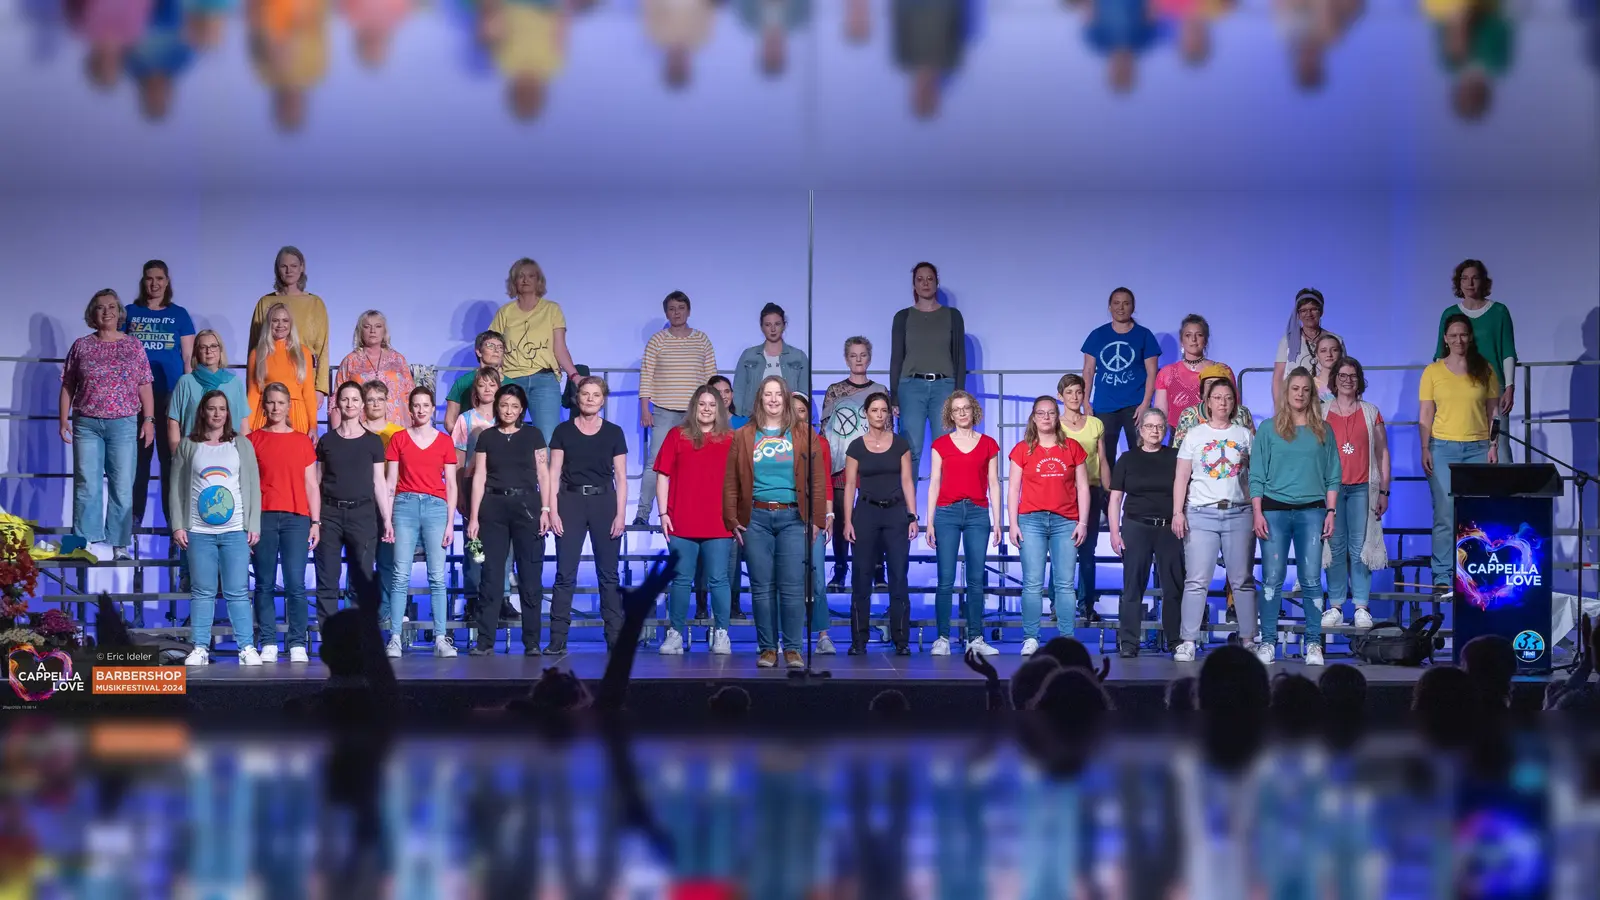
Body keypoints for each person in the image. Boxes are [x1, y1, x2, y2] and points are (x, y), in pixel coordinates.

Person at [723, 375, 829, 669]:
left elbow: (817, 481)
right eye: (767, 394)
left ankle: (793, 649)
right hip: (755, 518)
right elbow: (731, 481)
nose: (772, 400)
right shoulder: (744, 434)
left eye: (778, 394)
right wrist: (732, 519)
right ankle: (768, 648)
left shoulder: (804, 433)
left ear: (785, 399)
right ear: (760, 399)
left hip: (794, 517)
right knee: (762, 587)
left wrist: (818, 519)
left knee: (793, 587)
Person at [1249, 368, 1340, 667]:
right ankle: (1268, 642)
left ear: (1312, 395)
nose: (1300, 394)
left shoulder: (1324, 430)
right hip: (1273, 513)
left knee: (1312, 579)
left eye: (1305, 389)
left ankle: (1314, 643)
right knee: (1273, 579)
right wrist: (1257, 513)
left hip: (1312, 512)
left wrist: (1330, 512)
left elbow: (1332, 476)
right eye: (1295, 389)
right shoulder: (1268, 429)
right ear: (1286, 393)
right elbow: (1257, 476)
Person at [60, 289, 155, 561]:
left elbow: (145, 384)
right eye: (100, 307)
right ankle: (84, 542)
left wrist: (148, 420)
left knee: (123, 485)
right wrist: (62, 419)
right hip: (87, 423)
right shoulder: (81, 345)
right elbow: (68, 384)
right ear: (92, 313)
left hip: (124, 423)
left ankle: (119, 543)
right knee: (87, 484)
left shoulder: (133, 346)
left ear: (120, 312)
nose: (107, 312)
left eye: (112, 307)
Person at [172, 390, 262, 666]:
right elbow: (175, 488)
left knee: (237, 591)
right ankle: (199, 647)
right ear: (203, 411)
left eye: (222, 408)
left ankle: (246, 647)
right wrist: (178, 525)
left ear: (228, 413)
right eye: (212, 408)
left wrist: (253, 524)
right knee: (202, 592)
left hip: (235, 531)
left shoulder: (241, 445)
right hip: (199, 532)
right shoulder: (188, 445)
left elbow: (253, 486)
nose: (217, 413)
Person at [1171, 378, 1257, 664]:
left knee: (1242, 580)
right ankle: (1188, 641)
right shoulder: (1194, 435)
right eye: (1217, 397)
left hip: (1239, 512)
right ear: (1207, 402)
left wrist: (1258, 511)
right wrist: (1178, 511)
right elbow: (1182, 476)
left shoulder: (1245, 434)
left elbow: (1254, 476)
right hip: (1200, 513)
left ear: (1235, 402)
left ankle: (1248, 639)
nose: (1223, 403)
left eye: (1228, 398)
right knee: (1196, 580)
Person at [466, 383, 550, 657]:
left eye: (515, 406)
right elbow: (479, 477)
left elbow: (543, 475)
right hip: (494, 507)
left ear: (522, 408)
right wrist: (474, 515)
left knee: (529, 576)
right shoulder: (487, 437)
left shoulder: (534, 435)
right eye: (504, 405)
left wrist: (546, 509)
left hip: (527, 507)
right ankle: (485, 641)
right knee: (490, 575)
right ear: (497, 407)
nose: (509, 410)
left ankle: (532, 642)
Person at [1420, 313, 1500, 596]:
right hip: (1442, 449)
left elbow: (1494, 412)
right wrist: (1425, 447)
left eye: (1463, 334)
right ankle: (1443, 575)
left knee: (1476, 514)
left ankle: (1475, 571)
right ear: (1445, 339)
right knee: (1444, 513)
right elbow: (1426, 414)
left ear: (1470, 337)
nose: (1458, 340)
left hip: (1478, 448)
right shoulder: (1433, 371)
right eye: (1453, 335)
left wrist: (1493, 446)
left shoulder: (1485, 369)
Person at [547, 377, 629, 652]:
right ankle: (557, 640)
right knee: (564, 574)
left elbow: (621, 477)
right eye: (585, 394)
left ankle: (615, 639)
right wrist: (552, 510)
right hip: (569, 502)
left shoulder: (614, 432)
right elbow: (553, 473)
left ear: (603, 400)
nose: (590, 399)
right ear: (577, 397)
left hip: (604, 502)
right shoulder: (563, 431)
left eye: (596, 394)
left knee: (609, 575)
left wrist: (620, 515)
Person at [653, 384, 734, 656]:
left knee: (719, 580)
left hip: (719, 522)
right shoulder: (677, 435)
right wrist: (663, 513)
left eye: (712, 404)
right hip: (682, 522)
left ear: (719, 408)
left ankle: (721, 632)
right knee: (681, 580)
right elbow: (662, 475)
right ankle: (675, 633)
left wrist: (737, 516)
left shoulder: (730, 439)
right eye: (702, 404)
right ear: (694, 407)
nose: (707, 408)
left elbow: (741, 480)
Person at [1007, 396, 1090, 657]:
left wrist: (1083, 521)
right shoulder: (1022, 449)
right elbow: (1013, 489)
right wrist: (1012, 523)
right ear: (1033, 418)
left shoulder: (1073, 448)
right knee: (1032, 583)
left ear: (1057, 417)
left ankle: (1067, 640)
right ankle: (1031, 637)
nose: (1046, 417)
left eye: (1051, 413)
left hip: (1065, 521)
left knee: (1065, 583)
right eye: (1041, 413)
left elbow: (1084, 488)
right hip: (1030, 521)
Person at [248, 382, 321, 663]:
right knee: (264, 583)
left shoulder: (302, 441)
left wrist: (315, 522)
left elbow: (311, 485)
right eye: (271, 402)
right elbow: (247, 486)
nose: (276, 407)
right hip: (263, 518)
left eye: (281, 402)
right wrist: (247, 523)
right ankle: (267, 640)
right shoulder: (253, 440)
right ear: (264, 405)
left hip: (296, 519)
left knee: (295, 584)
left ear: (289, 406)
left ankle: (297, 642)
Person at [925, 389, 1002, 656]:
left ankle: (975, 638)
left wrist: (997, 521)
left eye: (965, 408)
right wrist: (930, 520)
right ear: (950, 414)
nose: (961, 413)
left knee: (975, 579)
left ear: (974, 411)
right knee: (945, 579)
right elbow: (934, 482)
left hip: (978, 513)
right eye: (956, 409)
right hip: (946, 512)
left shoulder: (988, 443)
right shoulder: (941, 445)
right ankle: (942, 638)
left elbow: (994, 483)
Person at [385, 387, 459, 658]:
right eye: (416, 405)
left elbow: (451, 484)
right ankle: (394, 637)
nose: (420, 409)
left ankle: (440, 637)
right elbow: (390, 482)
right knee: (400, 574)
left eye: (425, 405)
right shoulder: (399, 439)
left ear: (432, 408)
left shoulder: (444, 442)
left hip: (436, 508)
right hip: (405, 506)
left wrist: (451, 522)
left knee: (437, 576)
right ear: (410, 408)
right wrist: (388, 518)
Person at [635, 290, 719, 526]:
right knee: (656, 462)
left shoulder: (701, 339)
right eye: (672, 309)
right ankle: (642, 513)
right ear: (666, 312)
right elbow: (647, 376)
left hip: (696, 413)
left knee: (698, 462)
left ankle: (697, 511)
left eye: (681, 308)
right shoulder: (657, 340)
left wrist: (712, 409)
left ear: (688, 311)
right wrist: (645, 408)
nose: (676, 313)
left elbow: (710, 377)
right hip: (663, 410)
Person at [843, 392, 917, 655]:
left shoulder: (900, 445)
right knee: (861, 578)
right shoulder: (855, 446)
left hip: (896, 514)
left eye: (883, 410)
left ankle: (901, 641)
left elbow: (908, 481)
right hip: (866, 514)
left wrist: (913, 516)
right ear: (866, 413)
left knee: (898, 577)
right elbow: (850, 484)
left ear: (888, 414)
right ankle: (858, 641)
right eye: (874, 410)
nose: (879, 414)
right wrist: (848, 520)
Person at [123, 260, 194, 532]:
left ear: (167, 281)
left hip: (169, 396)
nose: (154, 283)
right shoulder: (130, 312)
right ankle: (133, 518)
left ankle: (173, 520)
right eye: (150, 278)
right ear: (143, 281)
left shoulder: (180, 314)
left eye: (160, 278)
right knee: (138, 461)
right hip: (135, 398)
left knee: (171, 460)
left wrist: (187, 396)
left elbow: (188, 358)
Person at [315, 381, 391, 632]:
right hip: (330, 514)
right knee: (327, 578)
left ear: (362, 405)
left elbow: (379, 482)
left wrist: (387, 519)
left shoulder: (373, 442)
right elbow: (317, 481)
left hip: (363, 514)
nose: (350, 404)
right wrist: (314, 519)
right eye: (345, 399)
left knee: (362, 578)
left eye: (355, 400)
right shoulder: (327, 441)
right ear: (337, 403)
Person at [1107, 408, 1182, 658]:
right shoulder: (1127, 459)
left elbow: (1185, 491)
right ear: (1140, 430)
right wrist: (1115, 532)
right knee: (1133, 587)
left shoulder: (1175, 457)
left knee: (1174, 586)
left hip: (1169, 528)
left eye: (1160, 426)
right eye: (1150, 426)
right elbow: (1116, 498)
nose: (1155, 431)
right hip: (1136, 527)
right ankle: (1129, 642)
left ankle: (1175, 640)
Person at [1322, 356, 1390, 631]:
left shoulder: (1371, 411)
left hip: (1364, 488)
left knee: (1361, 548)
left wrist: (1385, 491)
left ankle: (1361, 606)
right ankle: (1336, 605)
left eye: (1352, 376)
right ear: (1334, 380)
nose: (1347, 380)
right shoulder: (1322, 410)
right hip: (1332, 491)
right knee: (1334, 547)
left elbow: (1383, 453)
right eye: (1342, 375)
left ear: (1359, 380)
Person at [821, 336, 891, 590]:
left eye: (863, 355)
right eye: (853, 355)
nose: (858, 359)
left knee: (875, 518)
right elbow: (826, 430)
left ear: (869, 358)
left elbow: (888, 429)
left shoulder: (881, 391)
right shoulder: (834, 391)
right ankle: (840, 570)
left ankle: (877, 570)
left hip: (873, 464)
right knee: (841, 517)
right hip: (842, 463)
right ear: (846, 358)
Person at [889, 261, 968, 481]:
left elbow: (959, 358)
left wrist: (959, 394)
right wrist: (894, 396)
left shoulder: (953, 316)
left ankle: (943, 512)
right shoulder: (902, 317)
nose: (925, 283)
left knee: (944, 451)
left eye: (930, 278)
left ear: (937, 282)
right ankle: (910, 513)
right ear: (914, 285)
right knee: (910, 451)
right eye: (920, 279)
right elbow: (896, 358)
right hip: (910, 388)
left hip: (944, 387)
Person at [488, 258, 581, 441]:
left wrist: (575, 376)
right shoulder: (505, 312)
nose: (525, 280)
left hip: (544, 380)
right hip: (511, 379)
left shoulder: (552, 310)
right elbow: (493, 347)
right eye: (520, 276)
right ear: (514, 281)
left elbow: (560, 348)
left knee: (547, 439)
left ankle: (545, 471)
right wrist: (493, 375)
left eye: (531, 276)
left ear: (539, 281)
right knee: (506, 437)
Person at [1435, 259, 1516, 463]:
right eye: (1464, 278)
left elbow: (1508, 350)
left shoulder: (1499, 312)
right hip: (1457, 387)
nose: (1470, 283)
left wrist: (1509, 386)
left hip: (1491, 385)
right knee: (1461, 439)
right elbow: (1440, 354)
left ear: (1483, 281)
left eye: (1475, 278)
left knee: (1499, 441)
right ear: (1458, 283)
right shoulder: (1449, 314)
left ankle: (1506, 492)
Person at [1080, 286, 1160, 474]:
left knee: (1141, 453)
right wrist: (1085, 401)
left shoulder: (1144, 335)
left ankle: (1138, 499)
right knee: (1104, 456)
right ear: (1109, 307)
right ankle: (1106, 500)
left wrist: (1146, 403)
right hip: (1105, 406)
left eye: (1126, 303)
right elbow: (1089, 371)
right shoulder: (1097, 335)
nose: (1121, 307)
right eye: (1116, 303)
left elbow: (1152, 373)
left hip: (1136, 406)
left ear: (1133, 307)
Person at [1059, 374, 1112, 624]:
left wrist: (1108, 491)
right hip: (1063, 492)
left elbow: (1102, 460)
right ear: (1061, 396)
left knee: (1087, 553)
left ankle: (1087, 604)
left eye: (1078, 392)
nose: (1074, 397)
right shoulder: (1055, 425)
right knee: (1062, 551)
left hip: (1090, 491)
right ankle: (1058, 605)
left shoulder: (1095, 424)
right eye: (1069, 392)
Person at [452, 367, 503, 625]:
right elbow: (459, 459)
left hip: (502, 490)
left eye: (492, 384)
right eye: (482, 384)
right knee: (475, 548)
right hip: (474, 489)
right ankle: (473, 598)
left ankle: (502, 598)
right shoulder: (466, 420)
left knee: (503, 550)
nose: (487, 388)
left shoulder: (507, 418)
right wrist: (460, 492)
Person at [248, 245, 330, 404]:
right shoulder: (265, 303)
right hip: (269, 381)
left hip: (303, 380)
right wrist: (252, 387)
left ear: (302, 268)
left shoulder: (315, 303)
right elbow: (254, 347)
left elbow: (323, 350)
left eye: (294, 266)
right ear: (277, 269)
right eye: (284, 266)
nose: (289, 271)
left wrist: (320, 388)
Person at [792, 392, 838, 653]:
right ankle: (785, 638)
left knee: (817, 577)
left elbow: (826, 483)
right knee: (786, 580)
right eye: (794, 409)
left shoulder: (820, 443)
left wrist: (827, 515)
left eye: (802, 410)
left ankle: (823, 635)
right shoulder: (778, 442)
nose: (799, 414)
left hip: (814, 519)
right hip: (786, 517)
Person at [332, 310, 414, 429]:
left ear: (384, 331)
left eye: (378, 326)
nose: (372, 331)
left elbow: (411, 396)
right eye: (367, 327)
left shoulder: (398, 360)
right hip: (361, 430)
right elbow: (336, 401)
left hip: (398, 429)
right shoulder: (350, 361)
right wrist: (338, 437)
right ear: (360, 331)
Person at [246, 302, 319, 435]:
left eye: (285, 320)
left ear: (291, 324)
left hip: (297, 416)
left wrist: (313, 426)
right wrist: (248, 426)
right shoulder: (257, 353)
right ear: (269, 324)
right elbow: (253, 394)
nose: (280, 325)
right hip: (265, 416)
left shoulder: (303, 352)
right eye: (275, 320)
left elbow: (308, 392)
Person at [169, 330, 249, 447]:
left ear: (220, 349)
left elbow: (243, 422)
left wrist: (244, 452)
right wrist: (176, 455)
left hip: (229, 450)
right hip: (193, 451)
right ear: (197, 351)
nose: (209, 351)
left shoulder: (235, 382)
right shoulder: (185, 382)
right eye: (203, 347)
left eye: (213, 346)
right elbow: (173, 421)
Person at [732, 303, 810, 418]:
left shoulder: (798, 357)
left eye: (777, 324)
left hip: (789, 420)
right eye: (768, 325)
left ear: (784, 325)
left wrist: (800, 421)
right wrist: (738, 420)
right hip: (752, 419)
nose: (773, 329)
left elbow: (804, 394)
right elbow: (739, 390)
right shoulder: (748, 355)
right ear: (761, 327)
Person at [1272, 289, 1339, 407]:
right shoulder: (1287, 341)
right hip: (1296, 402)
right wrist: (1279, 408)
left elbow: (1344, 371)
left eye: (1313, 309)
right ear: (1298, 314)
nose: (1309, 314)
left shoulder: (1335, 340)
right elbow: (1278, 377)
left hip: (1329, 401)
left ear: (1321, 311)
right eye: (1303, 310)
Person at [1171, 362, 1255, 445]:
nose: (1214, 386)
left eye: (1219, 382)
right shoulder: (1188, 414)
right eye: (1210, 382)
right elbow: (1179, 449)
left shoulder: (1242, 412)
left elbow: (1254, 446)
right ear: (1202, 389)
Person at [1153, 314, 1214, 427]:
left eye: (1199, 335)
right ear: (1181, 340)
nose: (1193, 339)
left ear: (1205, 340)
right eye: (1188, 335)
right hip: (1177, 438)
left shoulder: (1220, 371)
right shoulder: (1166, 373)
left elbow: (1233, 409)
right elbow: (1160, 413)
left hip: (1211, 439)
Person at [444, 330, 506, 433]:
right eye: (490, 345)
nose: (496, 350)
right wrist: (463, 442)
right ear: (478, 351)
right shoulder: (463, 382)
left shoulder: (512, 384)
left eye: (500, 347)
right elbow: (449, 421)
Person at [1312, 333, 1346, 404]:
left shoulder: (1349, 383)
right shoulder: (1310, 385)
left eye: (1334, 350)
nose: (1329, 354)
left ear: (1341, 353)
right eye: (1323, 351)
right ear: (1317, 355)